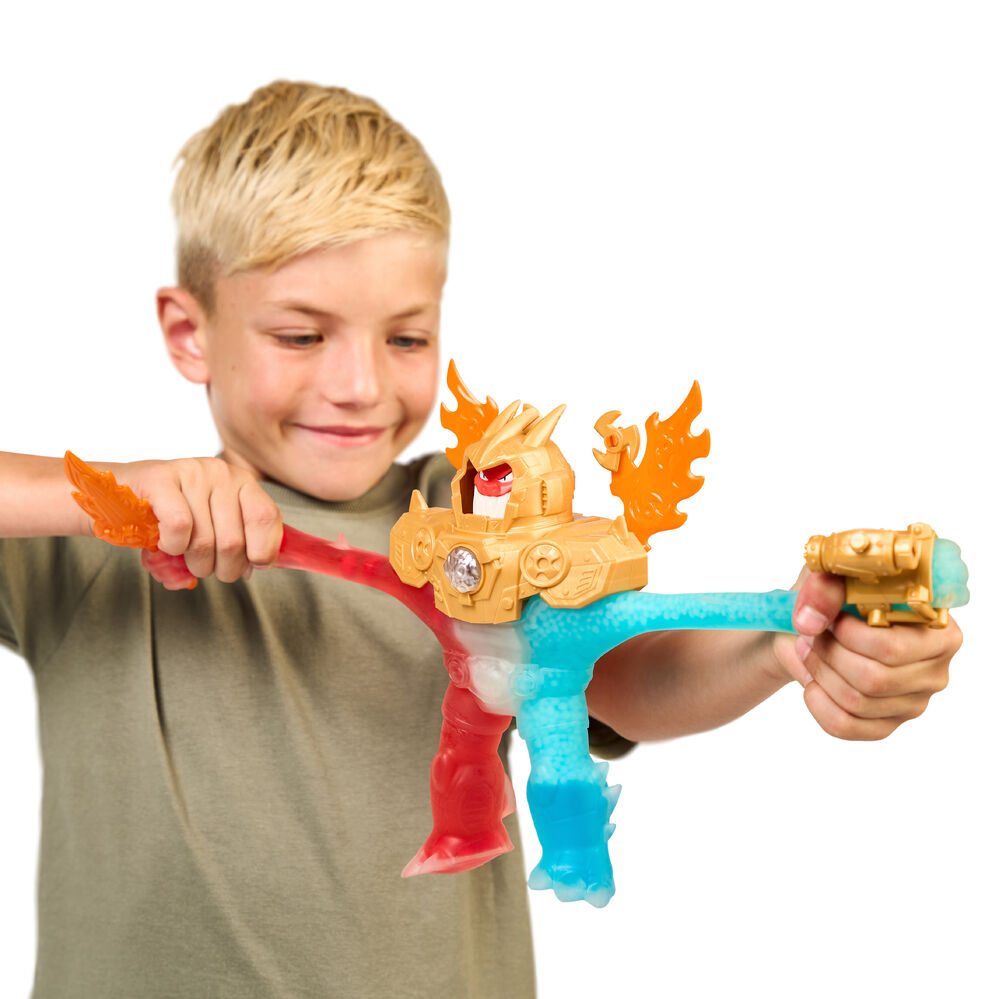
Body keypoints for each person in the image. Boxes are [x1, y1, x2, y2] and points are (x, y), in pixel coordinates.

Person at [0, 81, 962, 998]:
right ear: (189, 333)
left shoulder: (471, 514)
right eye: (301, 336)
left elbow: (617, 668)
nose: (360, 386)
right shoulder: (82, 547)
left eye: (406, 338)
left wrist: (786, 645)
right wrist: (101, 494)